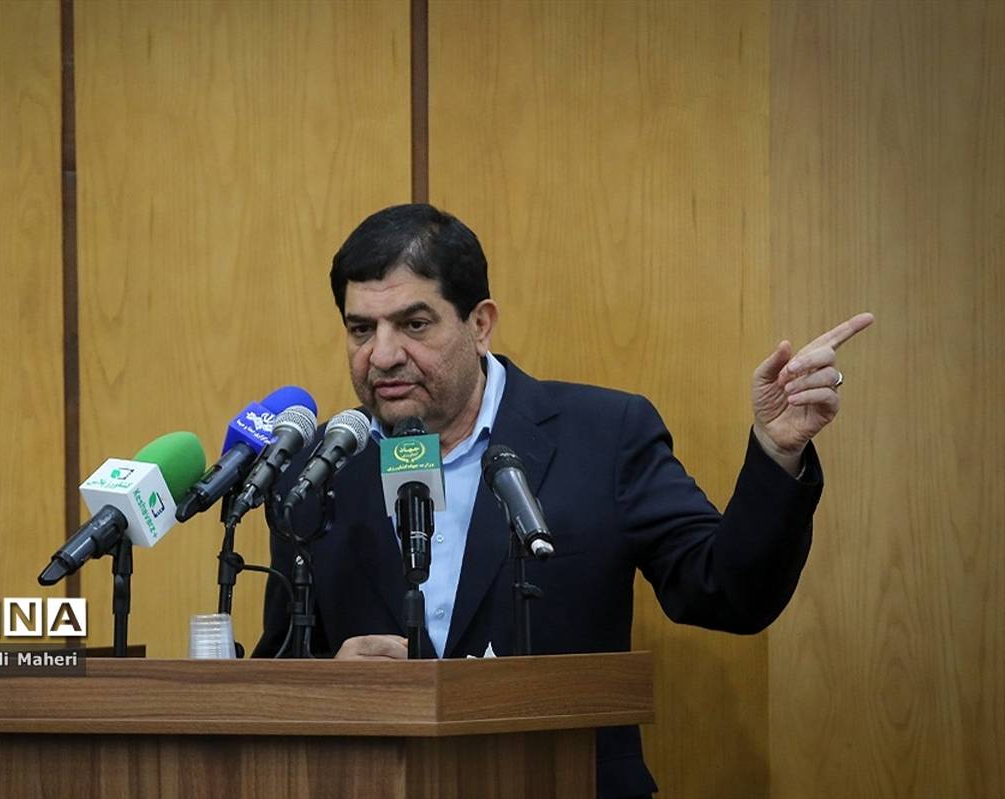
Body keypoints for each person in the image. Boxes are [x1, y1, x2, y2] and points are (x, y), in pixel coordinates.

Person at [254, 203, 873, 797]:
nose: (383, 356)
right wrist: (331, 680)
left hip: (563, 781)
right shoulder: (314, 472)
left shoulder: (603, 435)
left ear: (479, 324)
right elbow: (282, 661)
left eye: (414, 325)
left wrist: (776, 451)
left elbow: (727, 592)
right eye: (362, 329)